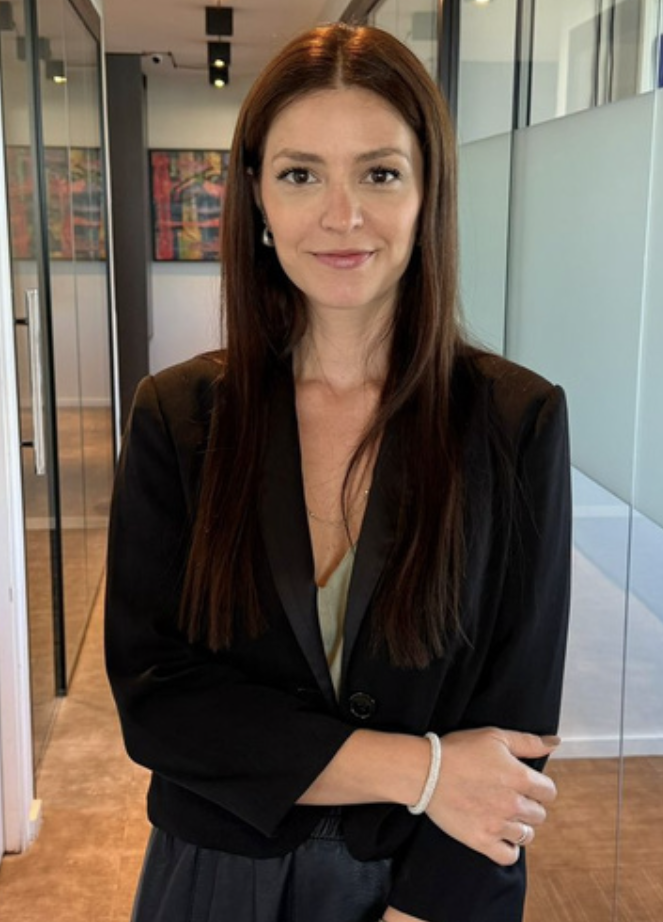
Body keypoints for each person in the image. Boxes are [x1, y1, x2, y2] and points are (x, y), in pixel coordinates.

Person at [105, 23, 571, 922]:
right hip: (214, 875)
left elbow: (512, 732)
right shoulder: (177, 417)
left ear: (429, 191)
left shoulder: (517, 422)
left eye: (380, 173)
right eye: (300, 174)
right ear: (257, 196)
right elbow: (157, 703)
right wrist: (423, 771)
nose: (342, 215)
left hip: (423, 884)